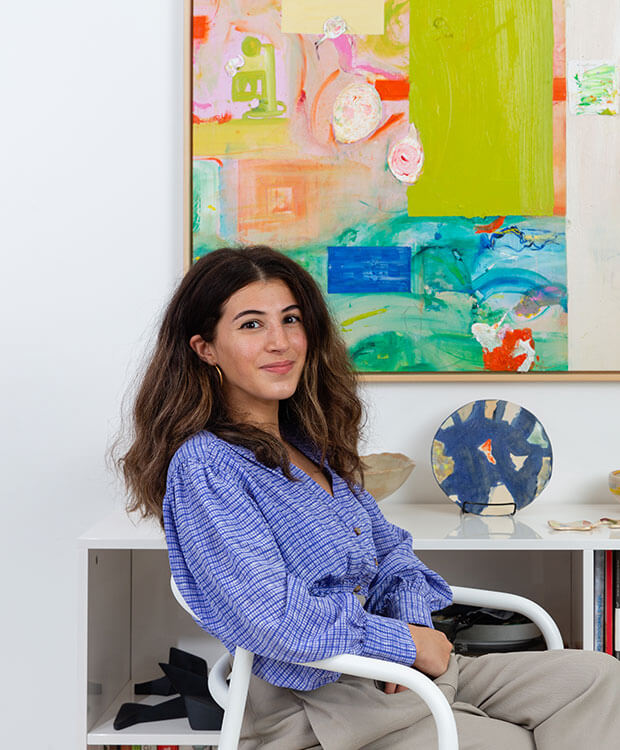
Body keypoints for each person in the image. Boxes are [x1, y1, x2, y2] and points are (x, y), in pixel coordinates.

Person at [118, 245, 620, 750]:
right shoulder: (207, 466)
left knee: (597, 679)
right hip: (320, 702)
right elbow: (270, 617)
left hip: (393, 671)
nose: (280, 342)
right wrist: (403, 644)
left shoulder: (309, 446)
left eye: (291, 319)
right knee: (512, 743)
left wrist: (411, 624)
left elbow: (392, 553)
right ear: (205, 348)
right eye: (252, 325)